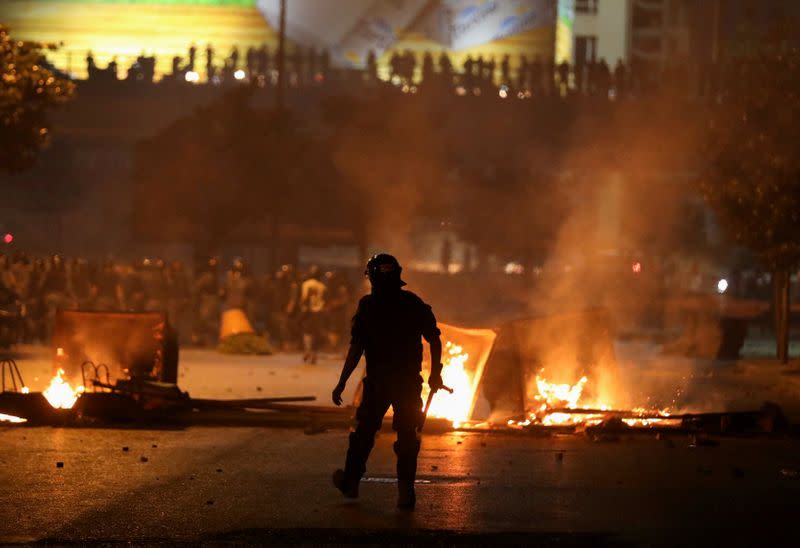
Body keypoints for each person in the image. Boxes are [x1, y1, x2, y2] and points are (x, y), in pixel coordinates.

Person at [331, 254, 443, 511]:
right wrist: (436, 373)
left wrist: (342, 382)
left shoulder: (368, 306)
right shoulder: (413, 303)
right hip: (407, 384)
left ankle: (351, 483)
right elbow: (434, 339)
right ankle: (406, 493)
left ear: (371, 276)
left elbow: (356, 348)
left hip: (378, 384)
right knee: (407, 437)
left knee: (363, 435)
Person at [299, 265, 327, 364]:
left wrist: (303, 309)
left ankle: (307, 350)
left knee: (307, 332)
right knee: (316, 334)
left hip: (308, 311)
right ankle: (314, 354)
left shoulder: (306, 284)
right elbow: (324, 300)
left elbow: (304, 297)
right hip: (319, 312)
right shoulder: (322, 286)